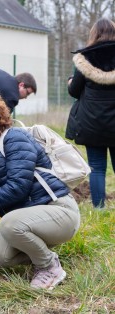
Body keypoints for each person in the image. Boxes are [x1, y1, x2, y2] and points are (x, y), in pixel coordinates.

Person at [0, 91, 80, 290]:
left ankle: (48, 266)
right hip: (28, 218)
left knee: (10, 224)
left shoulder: (15, 137)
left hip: (58, 210)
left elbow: (18, 188)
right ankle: (42, 253)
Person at [65, 17, 115, 209]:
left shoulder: (84, 58)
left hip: (92, 123)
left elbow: (74, 91)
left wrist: (71, 81)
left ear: (94, 34)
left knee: (97, 167)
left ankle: (99, 208)